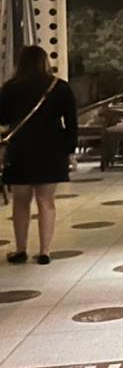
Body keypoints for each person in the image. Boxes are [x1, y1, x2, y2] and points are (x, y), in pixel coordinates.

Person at [2, 45, 78, 265]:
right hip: (51, 150)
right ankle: (45, 251)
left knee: (20, 202)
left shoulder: (10, 88)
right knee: (46, 201)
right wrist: (70, 151)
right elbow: (71, 123)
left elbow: (3, 118)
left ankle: (20, 249)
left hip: (20, 150)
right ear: (45, 61)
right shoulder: (59, 87)